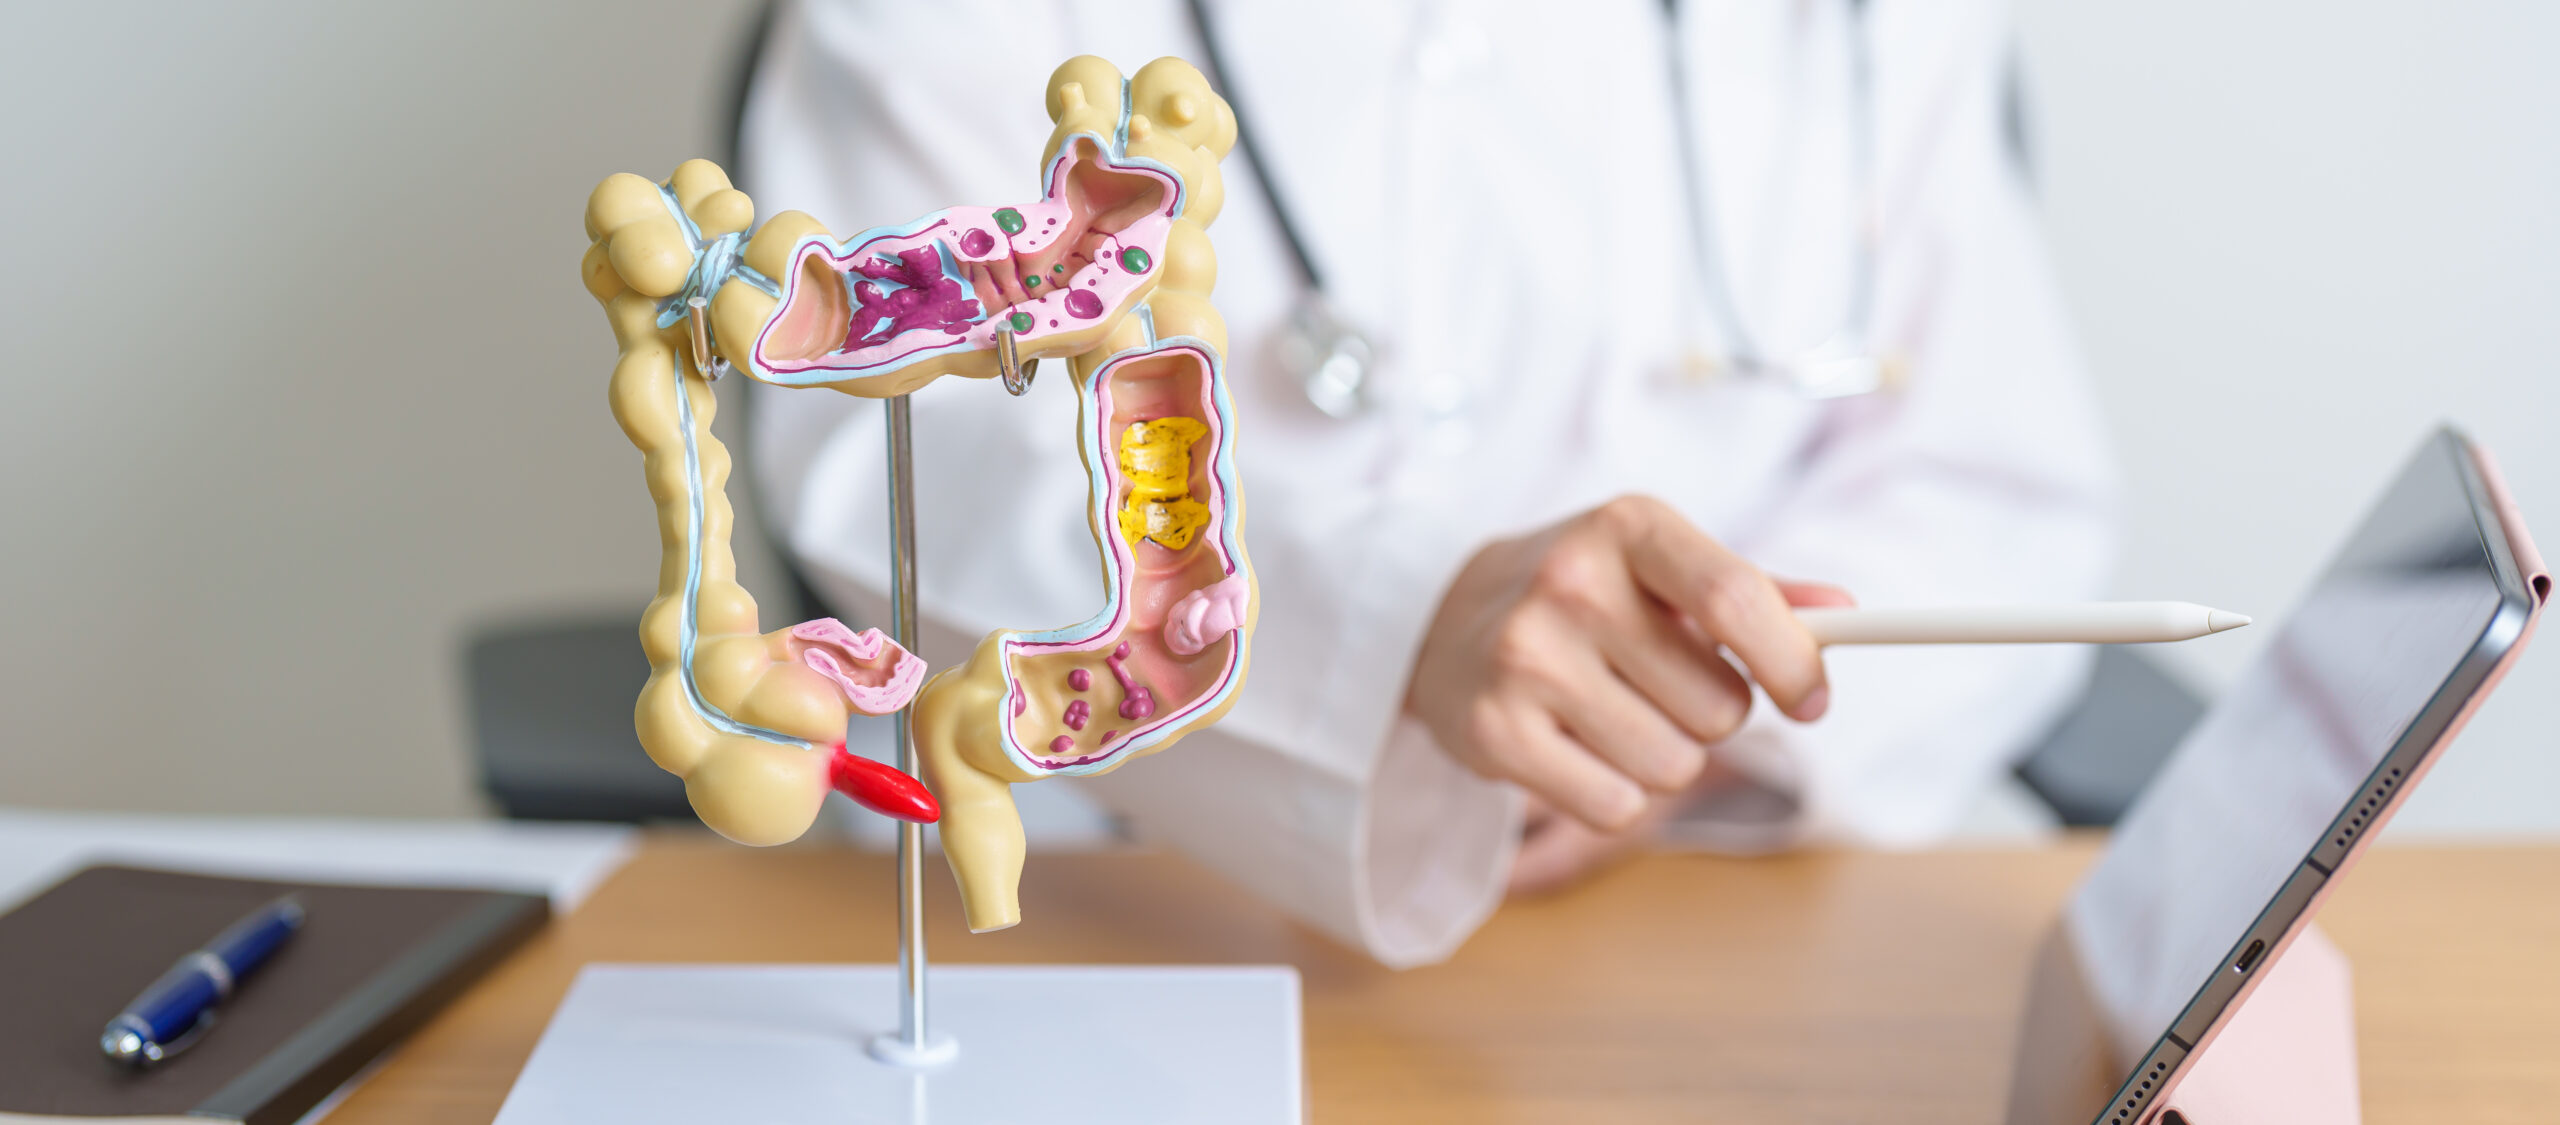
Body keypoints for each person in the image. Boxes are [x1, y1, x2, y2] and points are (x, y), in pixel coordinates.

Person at [734, 0, 2116, 968]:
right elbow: (892, 430)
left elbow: (1989, 486)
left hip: (1705, 903)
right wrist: (1401, 627)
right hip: (1108, 889)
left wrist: (1680, 727)